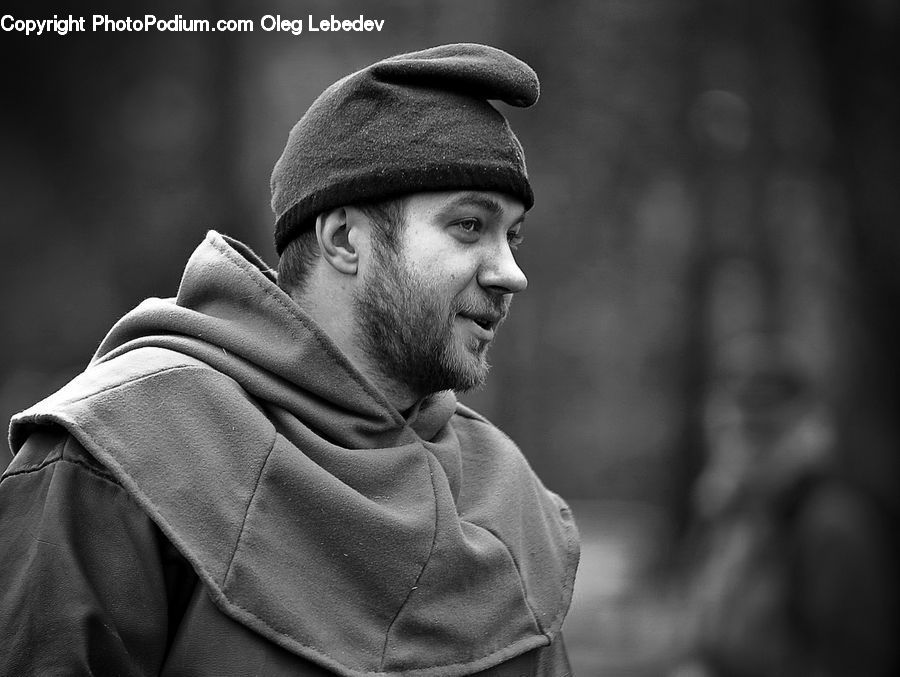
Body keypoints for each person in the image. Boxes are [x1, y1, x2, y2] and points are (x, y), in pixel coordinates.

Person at [0, 44, 580, 676]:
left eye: (512, 236)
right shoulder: (121, 452)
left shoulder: (513, 496)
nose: (511, 273)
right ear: (343, 240)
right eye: (470, 225)